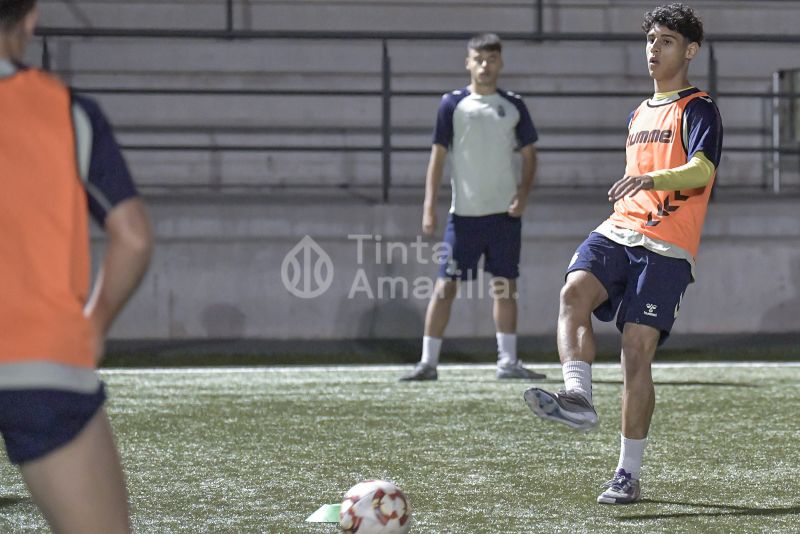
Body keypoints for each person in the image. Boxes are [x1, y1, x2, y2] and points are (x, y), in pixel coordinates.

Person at [523, 3, 723, 505]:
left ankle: (627, 473)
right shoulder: (639, 112)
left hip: (668, 245)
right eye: (651, 39)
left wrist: (651, 179)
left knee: (635, 351)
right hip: (620, 229)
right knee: (573, 292)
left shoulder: (698, 107)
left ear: (691, 50)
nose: (654, 49)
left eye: (667, 41)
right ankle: (578, 396)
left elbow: (702, 170)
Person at [0, 1, 153, 531]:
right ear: (30, 18)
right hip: (39, 357)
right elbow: (132, 237)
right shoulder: (64, 111)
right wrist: (92, 327)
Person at [400, 33, 546, 382]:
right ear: (467, 62)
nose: (484, 65)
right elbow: (437, 157)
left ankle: (508, 362)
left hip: (503, 216)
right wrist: (429, 206)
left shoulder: (514, 104)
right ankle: (428, 363)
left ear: (501, 62)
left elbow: (530, 156)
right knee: (444, 287)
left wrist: (523, 194)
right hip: (462, 216)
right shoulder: (451, 104)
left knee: (504, 287)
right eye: (478, 59)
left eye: (491, 59)